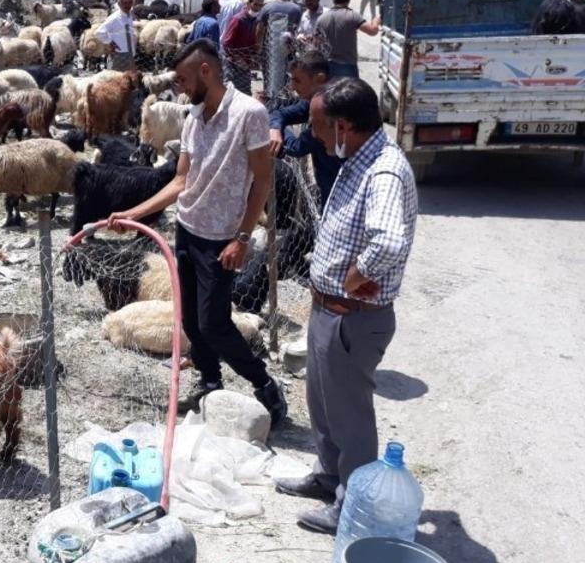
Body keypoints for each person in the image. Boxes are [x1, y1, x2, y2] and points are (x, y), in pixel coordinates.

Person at [107, 39, 289, 426]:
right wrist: (131, 214)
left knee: (214, 323)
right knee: (190, 319)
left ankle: (264, 385)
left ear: (206, 71)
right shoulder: (192, 118)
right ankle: (209, 382)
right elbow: (180, 181)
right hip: (188, 230)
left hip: (221, 238)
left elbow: (262, 181)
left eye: (184, 79)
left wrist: (241, 239)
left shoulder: (248, 114)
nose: (181, 88)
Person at [274, 78, 418, 534]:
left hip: (353, 317)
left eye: (319, 127)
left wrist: (358, 275)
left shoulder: (384, 171)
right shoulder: (361, 156)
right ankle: (328, 476)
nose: (314, 136)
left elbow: (390, 241)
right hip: (330, 310)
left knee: (350, 417)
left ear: (343, 126)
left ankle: (351, 507)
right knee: (322, 404)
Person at [267, 52, 341, 206]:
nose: (292, 86)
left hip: (337, 188)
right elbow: (280, 113)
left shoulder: (329, 111)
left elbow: (296, 147)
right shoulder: (315, 97)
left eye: (297, 81)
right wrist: (274, 128)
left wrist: (282, 132)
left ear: (319, 79)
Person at [315, 0, 380, 78]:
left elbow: (316, 44)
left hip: (327, 66)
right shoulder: (352, 15)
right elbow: (372, 31)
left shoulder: (321, 18)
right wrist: (376, 20)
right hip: (347, 66)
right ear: (349, 0)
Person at [221, 0, 266, 95]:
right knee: (232, 92)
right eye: (255, 5)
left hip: (250, 63)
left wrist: (255, 56)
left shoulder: (257, 21)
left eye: (260, 5)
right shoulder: (238, 19)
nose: (258, 8)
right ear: (249, 4)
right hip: (234, 65)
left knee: (251, 92)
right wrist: (238, 59)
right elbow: (226, 43)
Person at [95, 0, 137, 71]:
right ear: (119, 4)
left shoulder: (129, 16)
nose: (128, 5)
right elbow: (99, 33)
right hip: (118, 55)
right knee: (115, 80)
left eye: (130, 2)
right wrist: (110, 42)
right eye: (125, 3)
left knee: (128, 80)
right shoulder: (114, 18)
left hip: (130, 54)